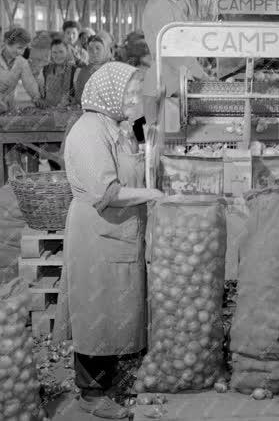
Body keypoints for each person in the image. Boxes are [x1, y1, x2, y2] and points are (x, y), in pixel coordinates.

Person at [62, 62, 163, 418]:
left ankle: (109, 380)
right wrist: (152, 194)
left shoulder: (115, 125)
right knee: (96, 311)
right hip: (97, 233)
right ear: (109, 94)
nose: (135, 98)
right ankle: (90, 394)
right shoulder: (89, 132)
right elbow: (107, 191)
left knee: (113, 308)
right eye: (130, 93)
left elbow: (140, 143)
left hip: (117, 232)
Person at [143, 0, 209, 124]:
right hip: (164, 86)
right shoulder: (160, 7)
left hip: (171, 84)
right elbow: (171, 52)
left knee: (173, 139)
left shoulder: (170, 4)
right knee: (165, 141)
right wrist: (201, 75)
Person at [0, 27, 43, 112]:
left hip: (9, 107)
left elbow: (29, 82)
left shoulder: (22, 62)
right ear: (8, 43)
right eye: (19, 47)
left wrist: (36, 98)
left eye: (24, 49)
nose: (21, 52)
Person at [72, 33, 113, 105]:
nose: (94, 52)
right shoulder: (82, 72)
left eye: (98, 48)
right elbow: (78, 97)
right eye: (90, 49)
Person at [41, 38, 78, 107]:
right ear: (51, 53)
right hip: (48, 111)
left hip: (68, 112)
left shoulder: (75, 71)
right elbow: (42, 94)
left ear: (67, 51)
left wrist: (71, 101)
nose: (58, 56)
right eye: (54, 52)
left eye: (61, 52)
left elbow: (78, 98)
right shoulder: (45, 69)